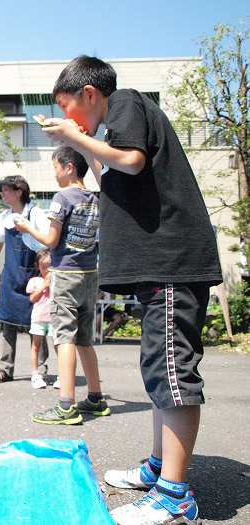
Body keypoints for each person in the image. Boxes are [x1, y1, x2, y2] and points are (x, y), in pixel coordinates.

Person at [42, 56, 222, 525]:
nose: (67, 119)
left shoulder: (124, 103)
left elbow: (133, 161)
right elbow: (116, 177)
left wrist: (73, 137)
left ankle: (174, 496)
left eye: (68, 107)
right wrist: (86, 141)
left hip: (170, 260)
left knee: (172, 372)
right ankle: (162, 469)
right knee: (158, 370)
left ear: (89, 94)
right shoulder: (110, 128)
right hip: (159, 263)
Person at [15, 146, 108, 425]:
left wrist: (27, 228)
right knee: (84, 339)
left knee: (64, 337)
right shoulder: (95, 198)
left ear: (69, 167)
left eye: (56, 167)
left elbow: (51, 241)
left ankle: (66, 405)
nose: (54, 174)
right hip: (89, 273)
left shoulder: (62, 197)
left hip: (64, 274)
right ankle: (95, 398)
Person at [0, 175, 51, 384]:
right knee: (7, 322)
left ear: (19, 192)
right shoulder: (3, 217)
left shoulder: (36, 214)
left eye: (6, 190)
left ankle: (41, 369)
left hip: (34, 275)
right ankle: (5, 369)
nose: (2, 194)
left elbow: (48, 243)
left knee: (39, 323)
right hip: (11, 274)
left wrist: (49, 273)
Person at [26, 249, 54, 389]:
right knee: (36, 346)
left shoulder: (57, 281)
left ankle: (63, 375)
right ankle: (35, 373)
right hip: (38, 317)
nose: (46, 271)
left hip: (53, 317)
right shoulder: (34, 281)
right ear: (38, 267)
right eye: (43, 268)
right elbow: (32, 298)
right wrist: (43, 286)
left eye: (49, 267)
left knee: (59, 347)